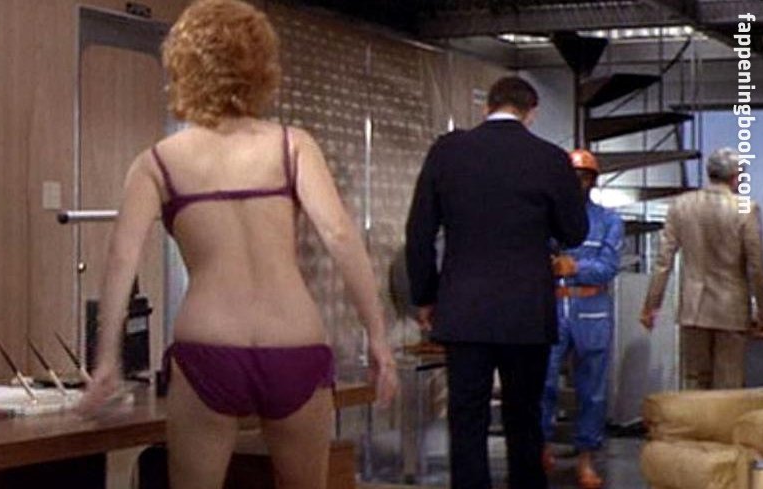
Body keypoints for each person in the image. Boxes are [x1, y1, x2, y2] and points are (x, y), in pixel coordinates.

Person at [77, 1, 398, 488]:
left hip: (209, 346)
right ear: (261, 66)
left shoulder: (157, 163)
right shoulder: (292, 146)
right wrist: (378, 337)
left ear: (183, 67)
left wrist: (107, 360)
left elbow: (122, 257)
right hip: (293, 343)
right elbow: (339, 236)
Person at [406, 76, 588, 489]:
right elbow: (574, 231)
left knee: (466, 418)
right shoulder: (549, 158)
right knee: (524, 417)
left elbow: (419, 232)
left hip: (463, 306)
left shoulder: (447, 151)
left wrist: (426, 295)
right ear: (531, 112)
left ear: (486, 106)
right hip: (526, 310)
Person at [641, 148, 763, 389]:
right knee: (728, 385)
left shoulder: (681, 205)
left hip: (693, 308)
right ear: (737, 176)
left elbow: (663, 261)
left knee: (694, 383)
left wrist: (651, 306)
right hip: (731, 310)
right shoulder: (746, 208)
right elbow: (756, 267)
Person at [540, 150, 624, 489]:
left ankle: (586, 458)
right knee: (543, 382)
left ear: (594, 180)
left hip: (592, 309)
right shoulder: (547, 219)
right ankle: (541, 446)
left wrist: (575, 266)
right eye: (573, 176)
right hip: (552, 305)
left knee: (593, 390)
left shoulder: (609, 220)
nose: (579, 183)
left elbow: (608, 266)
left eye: (585, 177)